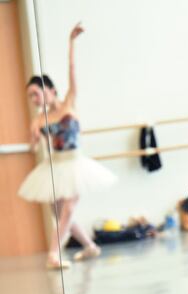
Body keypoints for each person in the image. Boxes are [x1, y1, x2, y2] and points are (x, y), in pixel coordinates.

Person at [19, 23, 116, 269]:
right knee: (60, 212)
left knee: (68, 209)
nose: (34, 99)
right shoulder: (39, 120)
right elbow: (38, 144)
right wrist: (33, 141)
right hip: (55, 165)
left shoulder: (67, 105)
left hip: (75, 163)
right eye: (30, 96)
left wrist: (71, 42)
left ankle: (54, 254)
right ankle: (91, 247)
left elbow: (72, 70)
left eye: (36, 93)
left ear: (50, 90)